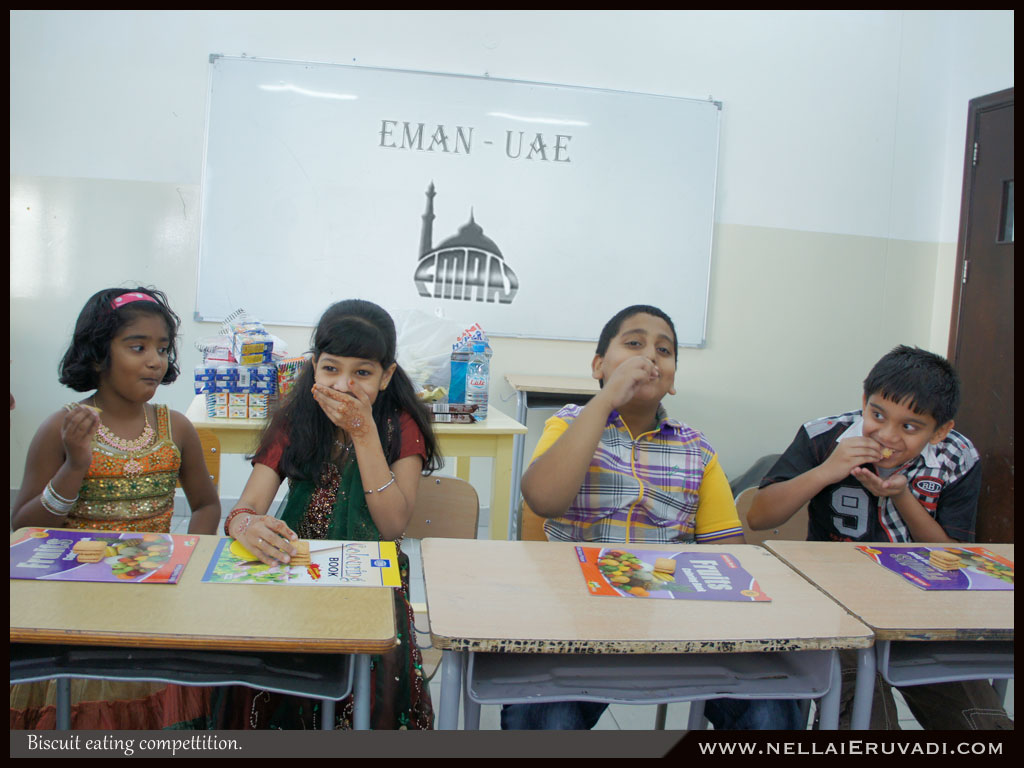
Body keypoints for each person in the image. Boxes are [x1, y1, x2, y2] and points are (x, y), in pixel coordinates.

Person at [503, 305, 804, 730]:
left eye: (664, 350)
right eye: (633, 343)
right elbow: (543, 499)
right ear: (599, 366)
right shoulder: (569, 424)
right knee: (544, 716)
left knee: (772, 709)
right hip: (578, 622)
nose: (649, 356)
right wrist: (606, 401)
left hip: (676, 625)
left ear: (673, 379)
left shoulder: (697, 449)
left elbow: (728, 558)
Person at [747, 344, 1013, 730]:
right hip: (834, 606)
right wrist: (827, 470)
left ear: (940, 430)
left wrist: (901, 496)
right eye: (877, 415)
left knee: (983, 725)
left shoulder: (957, 456)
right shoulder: (824, 436)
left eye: (910, 427)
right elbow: (759, 516)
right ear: (864, 401)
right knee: (867, 720)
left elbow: (954, 558)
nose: (887, 435)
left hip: (924, 612)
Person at [215, 299, 441, 730]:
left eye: (362, 373)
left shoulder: (400, 424)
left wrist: (364, 432)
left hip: (371, 586)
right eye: (331, 369)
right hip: (293, 571)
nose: (344, 385)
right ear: (314, 367)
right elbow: (248, 506)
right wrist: (245, 524)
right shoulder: (297, 417)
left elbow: (393, 524)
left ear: (386, 376)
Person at [10, 286, 220, 729]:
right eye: (137, 347)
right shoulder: (62, 427)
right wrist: (75, 466)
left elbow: (205, 504)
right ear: (98, 355)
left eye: (162, 348)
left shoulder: (177, 427)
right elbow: (23, 528)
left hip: (153, 597)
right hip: (72, 605)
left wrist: (182, 557)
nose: (155, 360)